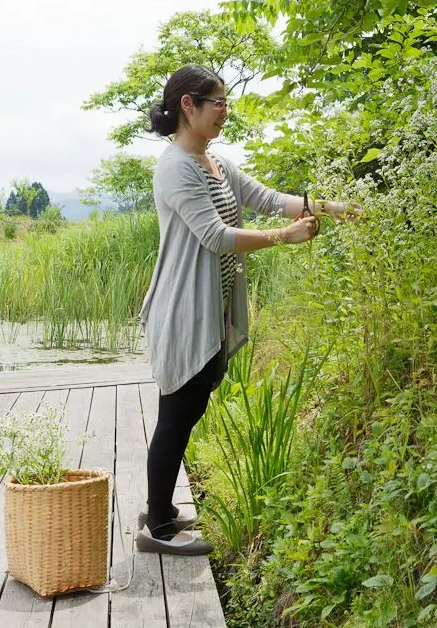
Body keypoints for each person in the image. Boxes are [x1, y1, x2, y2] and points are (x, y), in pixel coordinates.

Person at [135, 64, 360, 555]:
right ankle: (158, 529)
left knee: (186, 410)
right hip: (182, 311)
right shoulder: (175, 166)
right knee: (178, 412)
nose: (225, 111)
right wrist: (284, 238)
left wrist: (336, 208)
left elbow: (268, 199)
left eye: (226, 102)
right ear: (187, 106)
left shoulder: (214, 162)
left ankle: (160, 506)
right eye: (217, 102)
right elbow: (215, 237)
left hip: (208, 312)